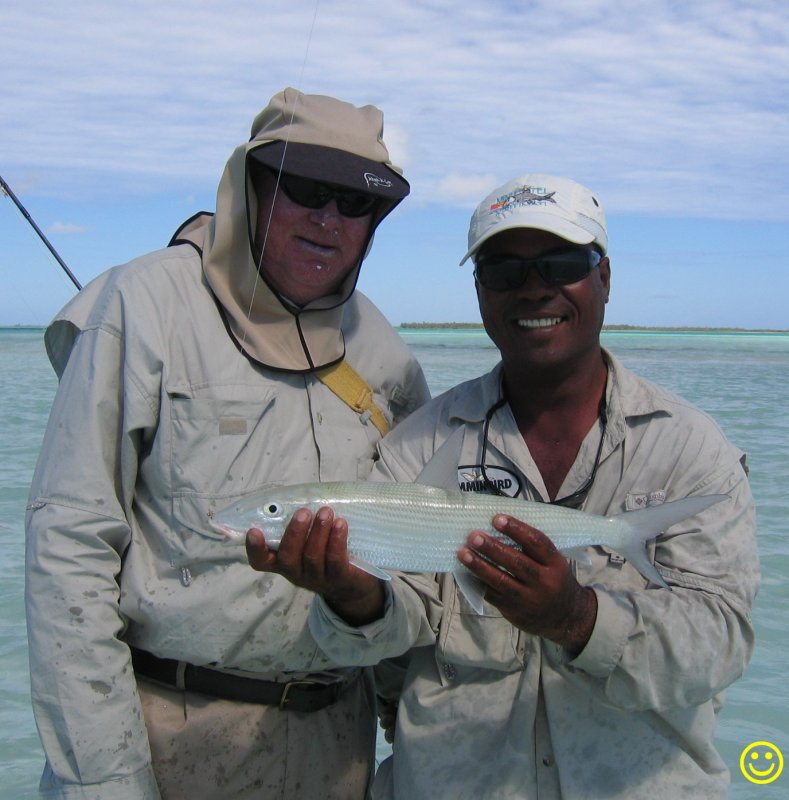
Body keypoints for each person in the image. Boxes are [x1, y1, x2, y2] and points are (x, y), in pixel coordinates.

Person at [247, 173, 760, 799]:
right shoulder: (419, 443)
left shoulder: (691, 451)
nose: (533, 288)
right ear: (479, 290)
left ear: (604, 278)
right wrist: (353, 595)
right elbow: (388, 641)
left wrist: (576, 617)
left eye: (562, 263)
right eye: (502, 270)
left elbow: (721, 647)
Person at [25, 87, 430, 799]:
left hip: (336, 744)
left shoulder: (387, 358)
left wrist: (416, 736)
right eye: (304, 189)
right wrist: (106, 779)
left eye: (356, 202)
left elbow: (409, 568)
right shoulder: (139, 306)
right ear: (251, 184)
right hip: (162, 732)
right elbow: (69, 552)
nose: (328, 219)